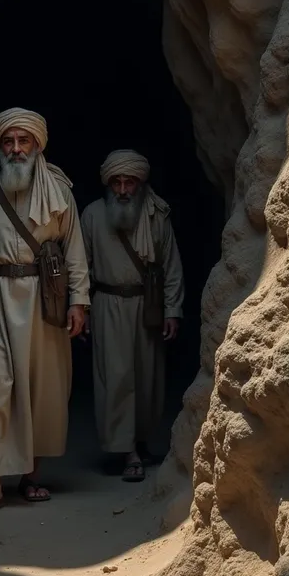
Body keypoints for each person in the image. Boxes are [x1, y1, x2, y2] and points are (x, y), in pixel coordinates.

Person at [0, 107, 90, 512]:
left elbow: (75, 253)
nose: (16, 149)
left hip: (46, 303)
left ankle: (31, 475)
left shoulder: (60, 194)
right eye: (8, 141)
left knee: (42, 388)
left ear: (37, 145)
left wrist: (79, 301)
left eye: (23, 141)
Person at [80, 149, 184, 482]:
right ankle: (128, 452)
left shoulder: (156, 215)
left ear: (140, 184)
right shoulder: (93, 216)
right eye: (117, 182)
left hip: (147, 307)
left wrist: (172, 310)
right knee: (117, 378)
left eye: (129, 183)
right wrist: (79, 306)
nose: (123, 190)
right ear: (108, 184)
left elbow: (171, 267)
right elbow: (80, 267)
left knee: (148, 379)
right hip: (107, 306)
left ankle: (139, 441)